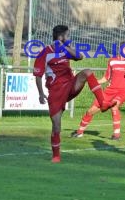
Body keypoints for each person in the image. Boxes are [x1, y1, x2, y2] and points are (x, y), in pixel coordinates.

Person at [34, 25, 114, 163]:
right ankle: (56, 156)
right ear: (61, 37)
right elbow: (38, 76)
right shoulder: (44, 53)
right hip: (56, 92)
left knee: (87, 72)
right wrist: (41, 94)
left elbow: (80, 56)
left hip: (70, 86)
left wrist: (65, 47)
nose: (69, 38)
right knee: (56, 125)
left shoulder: (66, 51)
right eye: (68, 35)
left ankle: (103, 103)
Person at [71, 42, 125, 140]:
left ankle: (116, 135)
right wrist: (93, 82)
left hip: (123, 91)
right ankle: (79, 132)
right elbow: (106, 78)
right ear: (120, 49)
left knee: (114, 106)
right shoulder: (112, 61)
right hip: (109, 91)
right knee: (90, 111)